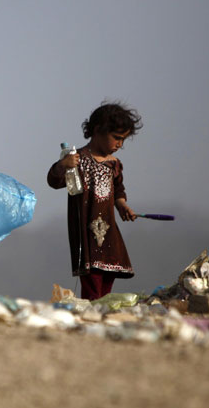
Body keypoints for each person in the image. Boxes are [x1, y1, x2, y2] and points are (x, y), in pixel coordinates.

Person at [47, 102, 142, 300]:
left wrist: (122, 205)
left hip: (108, 228)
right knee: (92, 275)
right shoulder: (77, 159)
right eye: (116, 138)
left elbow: (118, 189)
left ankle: (101, 309)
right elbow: (53, 181)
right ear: (98, 130)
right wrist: (63, 165)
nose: (120, 145)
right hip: (85, 229)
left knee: (109, 272)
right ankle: (93, 312)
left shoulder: (114, 164)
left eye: (123, 140)